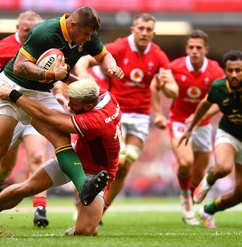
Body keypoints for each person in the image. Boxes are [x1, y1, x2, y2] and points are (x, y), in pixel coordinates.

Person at [0, 6, 124, 235]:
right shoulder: (45, 33)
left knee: (62, 139)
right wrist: (52, 76)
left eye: (91, 36)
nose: (89, 39)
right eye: (86, 34)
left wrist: (112, 68)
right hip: (11, 87)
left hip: (41, 92)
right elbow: (20, 66)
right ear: (73, 25)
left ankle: (84, 188)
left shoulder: (87, 34)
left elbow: (104, 55)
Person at [0, 79, 121, 236]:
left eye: (73, 104)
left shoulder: (95, 122)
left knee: (85, 231)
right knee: (27, 188)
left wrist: (14, 95)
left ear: (88, 106)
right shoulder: (105, 96)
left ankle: (85, 222)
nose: (68, 106)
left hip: (98, 174)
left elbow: (50, 118)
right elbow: (81, 81)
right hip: (76, 158)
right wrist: (63, 75)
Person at [74, 13, 178, 220]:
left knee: (126, 166)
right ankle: (84, 207)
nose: (145, 33)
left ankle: (101, 209)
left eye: (149, 30)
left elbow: (173, 90)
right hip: (116, 113)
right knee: (117, 162)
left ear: (153, 34)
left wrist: (168, 87)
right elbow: (84, 59)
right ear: (133, 30)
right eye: (141, 29)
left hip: (140, 117)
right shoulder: (120, 47)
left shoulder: (158, 55)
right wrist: (84, 74)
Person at [179, 50, 242, 228]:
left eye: (238, 70)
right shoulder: (219, 87)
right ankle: (207, 182)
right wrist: (191, 127)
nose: (234, 74)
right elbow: (205, 104)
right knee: (223, 167)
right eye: (230, 70)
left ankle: (208, 210)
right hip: (229, 133)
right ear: (225, 71)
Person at [0, 11, 50, 227]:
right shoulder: (6, 45)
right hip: (10, 108)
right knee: (5, 164)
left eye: (34, 30)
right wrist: (6, 87)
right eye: (26, 30)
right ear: (18, 28)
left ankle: (40, 208)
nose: (30, 33)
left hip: (35, 107)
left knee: (37, 156)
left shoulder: (48, 47)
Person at [152, 29, 224, 225]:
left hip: (203, 124)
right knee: (186, 163)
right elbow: (155, 85)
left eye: (198, 48)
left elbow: (221, 102)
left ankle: (188, 198)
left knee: (199, 173)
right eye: (191, 47)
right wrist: (158, 113)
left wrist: (200, 116)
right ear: (186, 49)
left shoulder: (216, 71)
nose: (194, 51)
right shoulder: (174, 67)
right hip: (178, 121)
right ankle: (186, 201)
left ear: (206, 49)